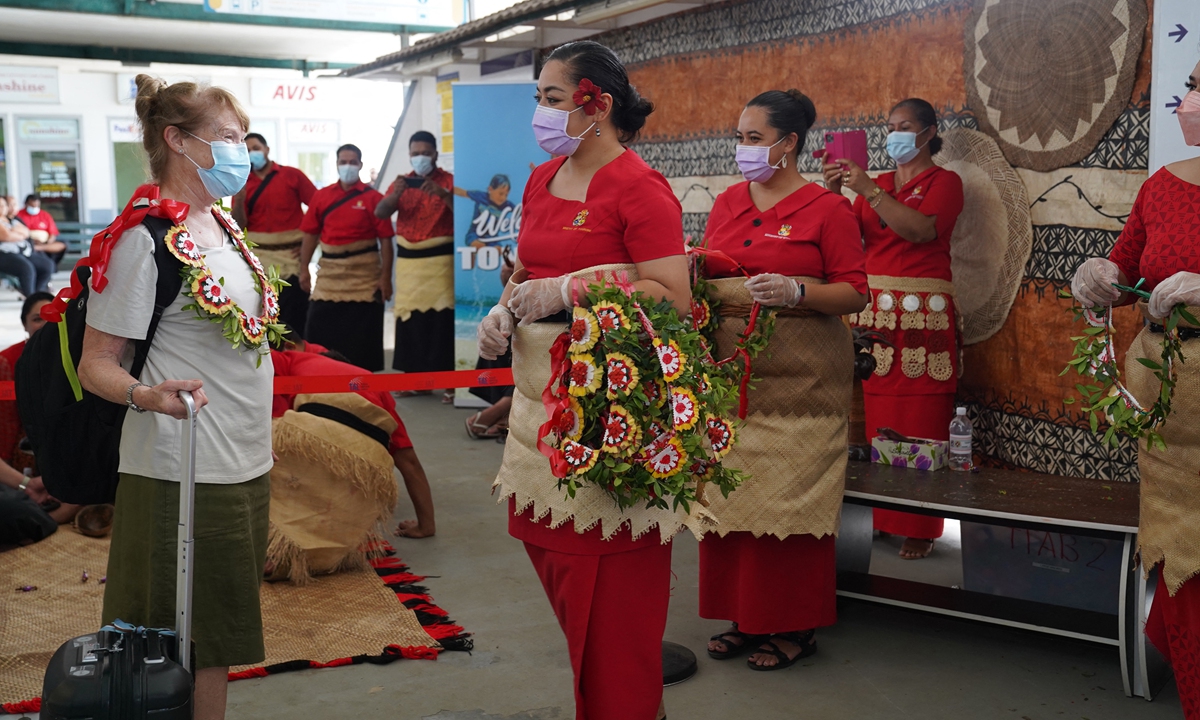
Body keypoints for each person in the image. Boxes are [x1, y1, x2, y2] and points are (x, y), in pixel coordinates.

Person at [479, 40, 693, 720]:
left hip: (608, 418)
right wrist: (506, 304)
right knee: (559, 570)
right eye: (538, 98)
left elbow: (673, 296)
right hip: (537, 417)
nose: (540, 112)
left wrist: (572, 289)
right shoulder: (544, 180)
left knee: (613, 613)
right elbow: (525, 272)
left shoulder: (638, 185)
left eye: (550, 97)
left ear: (594, 102)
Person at [76, 74, 272, 720]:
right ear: (176, 141)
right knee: (168, 640)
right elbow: (95, 364)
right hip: (180, 468)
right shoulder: (143, 240)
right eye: (226, 137)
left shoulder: (223, 228)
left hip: (243, 461)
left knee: (214, 637)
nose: (241, 149)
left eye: (242, 137)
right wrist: (146, 395)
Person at [699, 90, 868, 670]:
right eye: (740, 137)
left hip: (803, 389)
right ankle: (745, 618)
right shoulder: (727, 202)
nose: (742, 149)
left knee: (792, 506)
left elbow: (855, 291)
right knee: (732, 499)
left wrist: (799, 291)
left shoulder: (828, 209)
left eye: (753, 138)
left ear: (788, 143)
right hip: (731, 382)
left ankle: (794, 626)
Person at [1072, 57, 1200, 719]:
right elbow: (1127, 267)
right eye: (1195, 85)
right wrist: (1100, 276)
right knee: (1178, 551)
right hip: (1167, 408)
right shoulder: (1163, 187)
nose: (1192, 99)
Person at [825, 98, 964, 560]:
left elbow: (921, 231)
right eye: (889, 126)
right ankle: (883, 517)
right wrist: (837, 195)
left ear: (928, 133)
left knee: (922, 417)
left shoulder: (945, 182)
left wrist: (869, 191)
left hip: (924, 314)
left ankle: (920, 525)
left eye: (905, 126)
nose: (894, 134)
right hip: (877, 316)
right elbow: (850, 237)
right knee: (878, 415)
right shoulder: (877, 184)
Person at [271, 344, 436, 538]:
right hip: (367, 455)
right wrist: (426, 525)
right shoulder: (368, 380)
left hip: (317, 427)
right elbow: (409, 461)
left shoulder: (281, 360)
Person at [299, 144, 394, 371]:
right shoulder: (322, 196)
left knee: (362, 335)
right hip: (330, 274)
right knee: (318, 329)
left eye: (352, 162)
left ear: (360, 165)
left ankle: (362, 382)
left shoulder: (373, 198)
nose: (348, 166)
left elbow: (386, 242)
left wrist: (385, 278)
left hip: (365, 275)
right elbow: (310, 235)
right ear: (337, 164)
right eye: (343, 162)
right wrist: (303, 269)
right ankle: (323, 377)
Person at [376, 131, 455, 397]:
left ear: (435, 153)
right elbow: (381, 212)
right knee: (410, 321)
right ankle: (414, 380)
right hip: (409, 262)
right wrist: (394, 196)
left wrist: (443, 194)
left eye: (425, 152)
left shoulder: (450, 181)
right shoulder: (402, 182)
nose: (420, 157)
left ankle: (447, 383)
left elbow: (466, 215)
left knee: (441, 321)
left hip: (441, 260)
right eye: (415, 153)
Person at [0, 292, 81, 546]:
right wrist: (22, 481)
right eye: (37, 319)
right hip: (15, 460)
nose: (46, 324)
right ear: (24, 324)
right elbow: (6, 422)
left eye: (53, 317)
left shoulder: (79, 359)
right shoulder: (5, 362)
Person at [232, 133, 317, 336]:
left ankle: (296, 360)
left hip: (292, 259)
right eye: (247, 150)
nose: (253, 153)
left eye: (256, 148)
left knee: (295, 316)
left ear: (267, 149)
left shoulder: (292, 175)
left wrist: (308, 247)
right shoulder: (241, 183)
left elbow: (319, 209)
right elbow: (238, 225)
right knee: (264, 316)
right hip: (258, 259)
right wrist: (241, 198)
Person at [0, 196, 54, 297]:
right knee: (26, 268)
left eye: (4, 205)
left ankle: (37, 295)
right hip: (4, 255)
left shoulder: (12, 219)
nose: (2, 208)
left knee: (47, 265)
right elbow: (6, 236)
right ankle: (30, 298)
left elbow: (26, 232)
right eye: (0, 206)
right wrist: (16, 233)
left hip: (23, 252)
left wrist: (13, 233)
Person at [459, 174, 516, 248]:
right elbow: (463, 192)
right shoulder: (480, 196)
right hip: (475, 234)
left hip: (492, 238)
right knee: (478, 246)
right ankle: (471, 257)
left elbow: (522, 210)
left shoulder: (507, 204)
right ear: (490, 189)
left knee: (499, 250)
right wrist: (449, 189)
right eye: (501, 194)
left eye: (506, 195)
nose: (503, 198)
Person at [16, 194, 67, 267]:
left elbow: (53, 233)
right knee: (43, 258)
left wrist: (49, 241)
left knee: (63, 244)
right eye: (32, 206)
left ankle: (39, 248)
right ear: (26, 204)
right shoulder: (19, 215)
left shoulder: (45, 215)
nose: (34, 208)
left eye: (36, 206)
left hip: (44, 243)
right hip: (28, 241)